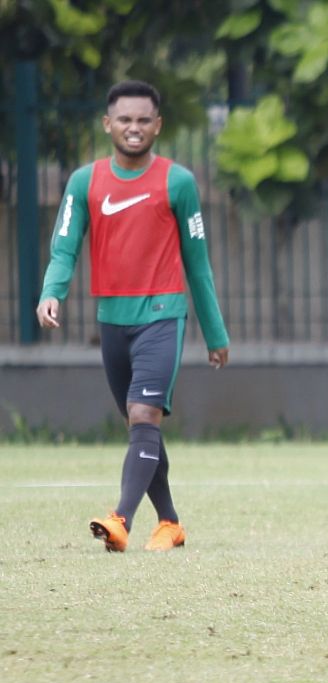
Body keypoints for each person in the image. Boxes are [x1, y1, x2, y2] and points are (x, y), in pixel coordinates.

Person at [36, 80, 230, 553]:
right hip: (112, 320)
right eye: (125, 119)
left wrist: (215, 332)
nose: (134, 128)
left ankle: (120, 519)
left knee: (144, 412)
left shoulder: (178, 182)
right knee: (140, 425)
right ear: (108, 124)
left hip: (163, 315)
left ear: (158, 125)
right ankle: (170, 523)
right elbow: (64, 246)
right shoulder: (85, 181)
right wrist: (50, 292)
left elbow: (197, 261)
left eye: (144, 120)